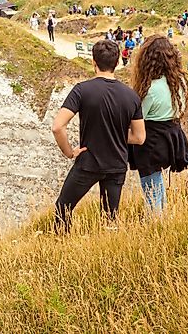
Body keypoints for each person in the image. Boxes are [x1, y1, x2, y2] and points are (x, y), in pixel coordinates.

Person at [51, 40, 146, 233]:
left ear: (93, 62)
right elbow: (139, 137)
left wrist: (69, 152)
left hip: (88, 162)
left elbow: (57, 127)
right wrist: (117, 134)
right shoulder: (131, 96)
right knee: (110, 219)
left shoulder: (82, 90)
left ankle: (60, 244)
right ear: (118, 62)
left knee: (63, 208)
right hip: (117, 164)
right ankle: (107, 253)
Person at [129, 35, 188, 215]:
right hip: (172, 136)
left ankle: (156, 227)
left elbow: (138, 117)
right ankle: (162, 222)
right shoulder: (179, 82)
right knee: (158, 186)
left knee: (151, 190)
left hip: (151, 142)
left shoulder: (151, 90)